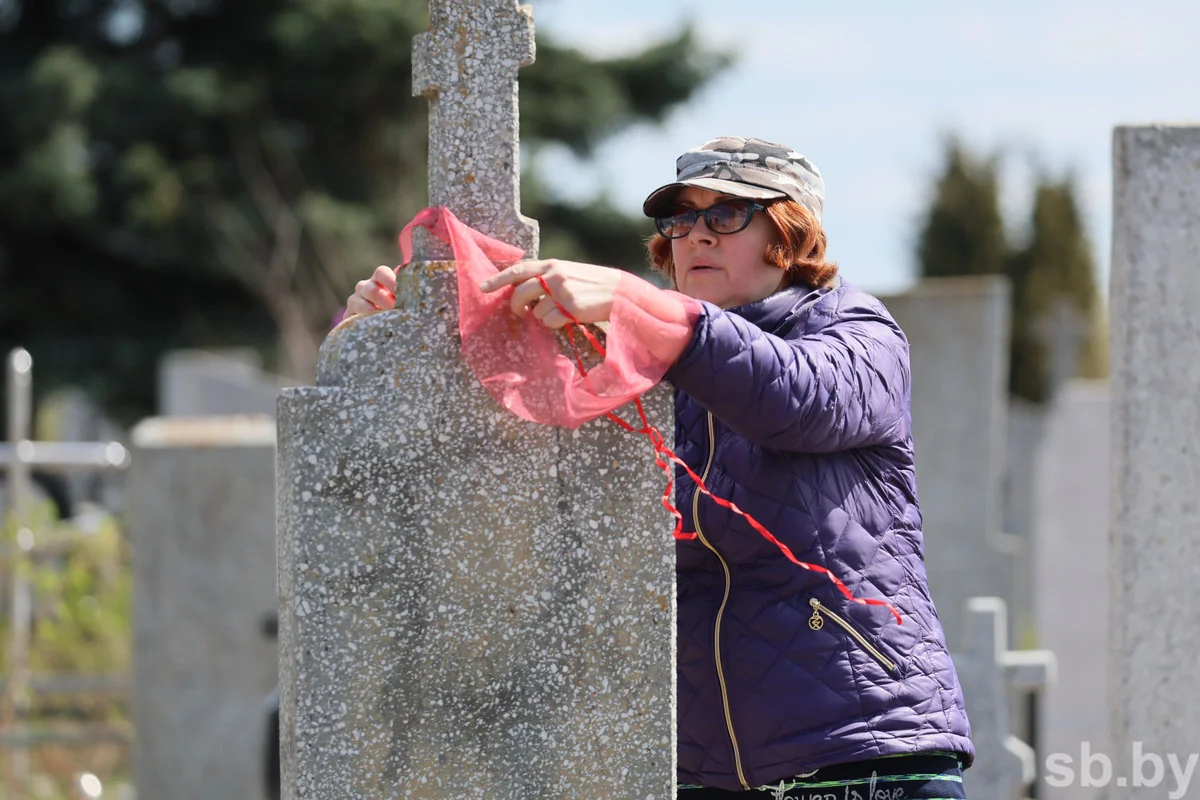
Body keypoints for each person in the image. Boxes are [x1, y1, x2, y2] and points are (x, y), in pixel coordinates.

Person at [346, 137, 974, 798]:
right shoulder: (641, 362)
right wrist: (403, 346)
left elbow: (800, 397)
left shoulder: (857, 331)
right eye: (679, 219)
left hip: (865, 751)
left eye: (725, 215)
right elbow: (507, 475)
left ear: (790, 234)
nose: (695, 236)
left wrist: (647, 313)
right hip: (696, 772)